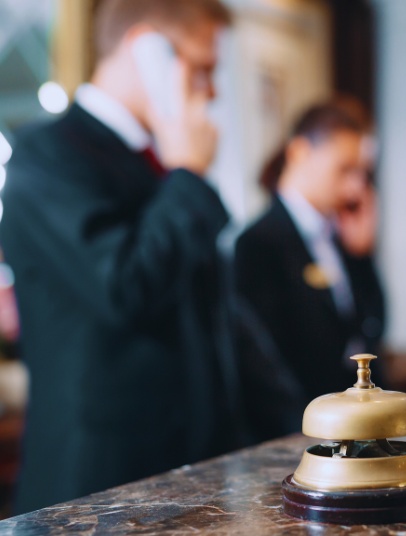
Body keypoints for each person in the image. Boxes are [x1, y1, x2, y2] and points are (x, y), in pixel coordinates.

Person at [0, 0, 237, 513]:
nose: (212, 91)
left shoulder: (163, 162)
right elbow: (126, 289)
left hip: (189, 470)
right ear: (144, 49)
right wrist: (190, 178)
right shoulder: (47, 156)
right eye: (202, 69)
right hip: (97, 486)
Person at [235, 101, 385, 405]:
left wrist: (362, 256)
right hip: (303, 422)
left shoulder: (341, 234)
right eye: (345, 170)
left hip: (353, 414)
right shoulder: (257, 243)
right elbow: (265, 362)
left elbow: (371, 330)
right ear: (300, 153)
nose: (356, 188)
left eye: (362, 173)